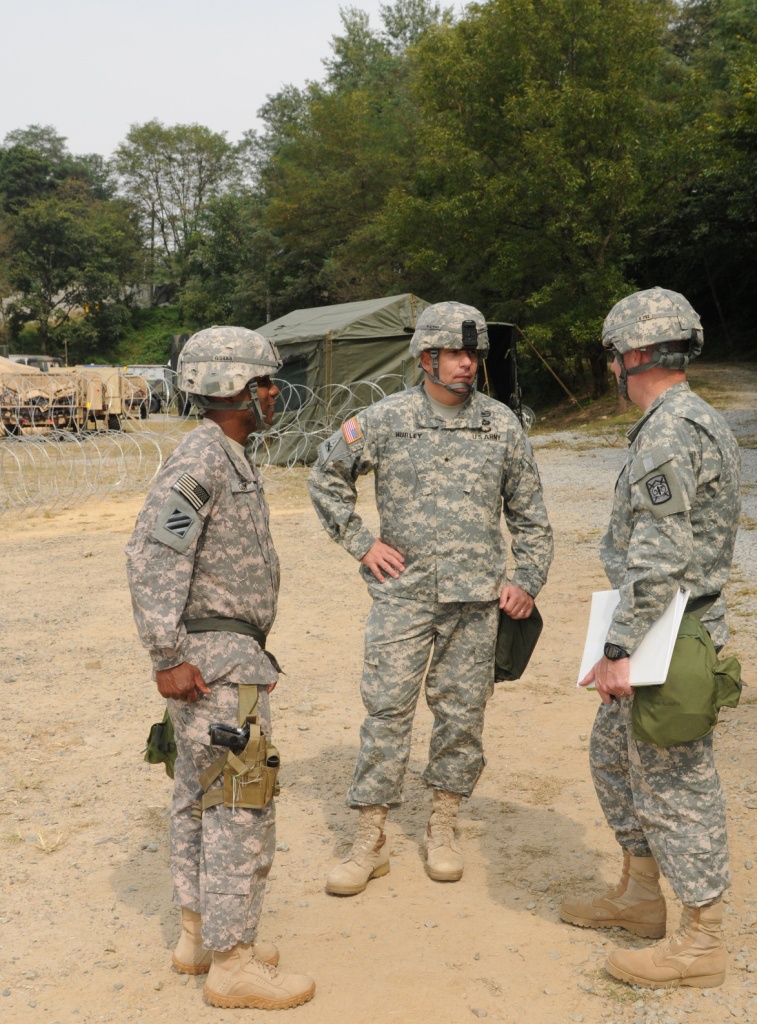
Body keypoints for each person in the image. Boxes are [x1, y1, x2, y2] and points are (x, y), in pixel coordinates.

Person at [307, 301, 553, 895]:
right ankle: (370, 837)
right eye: (456, 354)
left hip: (476, 603)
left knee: (462, 717)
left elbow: (532, 519)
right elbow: (324, 475)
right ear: (427, 359)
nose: (468, 364)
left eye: (474, 354)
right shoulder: (385, 420)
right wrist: (362, 543)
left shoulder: (500, 425)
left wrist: (526, 580)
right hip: (404, 597)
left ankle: (444, 824)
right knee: (387, 711)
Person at [125, 327, 315, 1010]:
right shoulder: (201, 461)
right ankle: (232, 963)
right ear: (236, 390)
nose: (274, 392)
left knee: (202, 795)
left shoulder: (226, 455)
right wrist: (167, 655)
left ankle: (200, 933)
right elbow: (151, 558)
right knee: (238, 800)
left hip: (227, 655)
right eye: (265, 383)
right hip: (213, 662)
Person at [560, 287, 741, 989]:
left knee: (674, 784)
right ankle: (639, 898)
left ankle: (700, 942)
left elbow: (660, 557)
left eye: (613, 357)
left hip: (670, 630)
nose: (611, 369)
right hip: (663, 622)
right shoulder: (683, 419)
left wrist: (618, 649)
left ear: (634, 354)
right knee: (613, 756)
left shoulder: (669, 430)